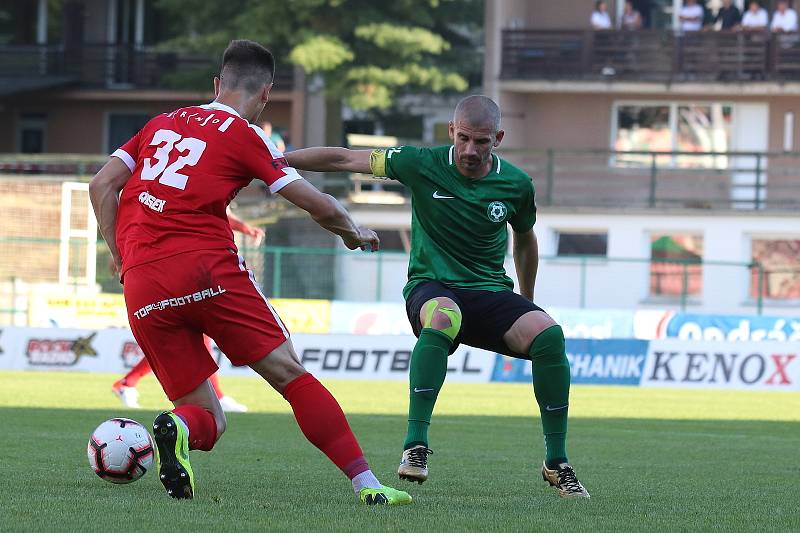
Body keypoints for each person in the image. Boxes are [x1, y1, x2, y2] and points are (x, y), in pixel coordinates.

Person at [89, 39, 411, 506]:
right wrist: (352, 232)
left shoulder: (160, 124)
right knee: (288, 373)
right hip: (205, 269)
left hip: (141, 282)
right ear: (266, 95)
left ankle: (177, 427)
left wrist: (118, 253)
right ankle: (368, 486)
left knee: (206, 417)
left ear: (217, 84)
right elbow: (315, 202)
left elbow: (102, 185)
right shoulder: (245, 133)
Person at [285, 95, 590, 499]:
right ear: (451, 131)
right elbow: (345, 159)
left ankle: (558, 463)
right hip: (432, 287)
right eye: (463, 138)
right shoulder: (420, 163)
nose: (469, 150)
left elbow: (525, 240)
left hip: (488, 291)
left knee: (549, 335)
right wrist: (279, 159)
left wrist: (528, 301)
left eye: (481, 141)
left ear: (497, 138)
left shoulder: (516, 185)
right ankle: (415, 446)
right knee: (445, 316)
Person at [111, 208, 265, 413]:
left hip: (171, 261)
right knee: (178, 333)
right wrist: (120, 249)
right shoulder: (173, 184)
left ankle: (129, 383)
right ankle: (128, 383)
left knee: (193, 334)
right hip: (166, 263)